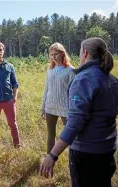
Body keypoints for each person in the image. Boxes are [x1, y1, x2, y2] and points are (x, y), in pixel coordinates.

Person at [40, 37, 118, 187]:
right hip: (107, 149)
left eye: (80, 51)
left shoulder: (83, 79)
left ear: (85, 53)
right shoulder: (112, 79)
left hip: (86, 153)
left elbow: (75, 123)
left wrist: (52, 155)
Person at [41, 42, 75, 154]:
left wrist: (73, 109)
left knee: (70, 136)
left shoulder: (70, 70)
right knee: (51, 135)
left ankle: (74, 158)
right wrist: (43, 107)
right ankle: (48, 160)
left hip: (65, 108)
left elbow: (73, 92)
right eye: (51, 55)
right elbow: (46, 89)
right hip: (50, 107)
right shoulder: (50, 69)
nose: (53, 57)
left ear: (62, 54)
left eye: (56, 54)